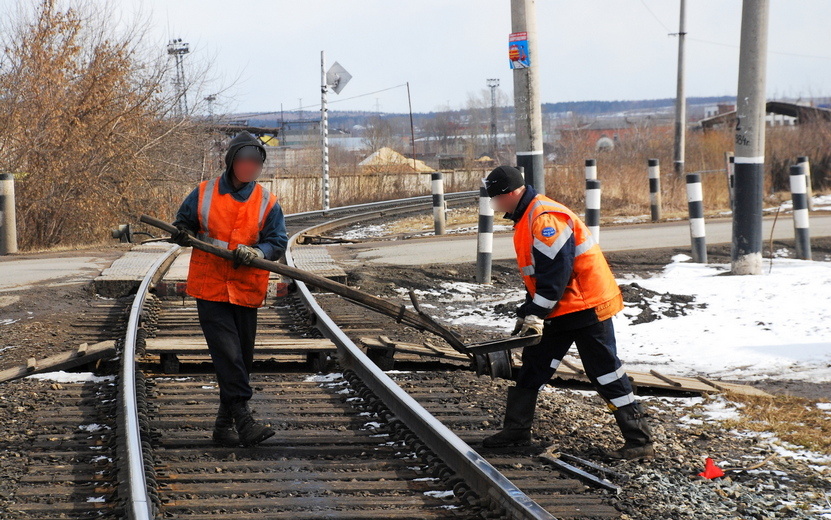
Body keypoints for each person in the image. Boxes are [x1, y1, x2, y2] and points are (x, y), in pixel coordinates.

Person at [481, 165, 653, 460]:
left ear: (510, 194)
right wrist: (529, 310)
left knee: (605, 372)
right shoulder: (527, 216)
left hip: (586, 306)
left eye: (495, 199)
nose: (494, 205)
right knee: (534, 366)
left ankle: (639, 441)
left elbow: (556, 274)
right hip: (562, 307)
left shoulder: (545, 218)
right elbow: (538, 276)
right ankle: (517, 431)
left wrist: (536, 312)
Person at [170, 131, 287, 447]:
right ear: (232, 161)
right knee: (229, 355)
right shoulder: (204, 193)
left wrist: (259, 252)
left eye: (256, 162)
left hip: (246, 289)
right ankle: (245, 422)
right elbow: (184, 223)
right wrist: (182, 233)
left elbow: (277, 241)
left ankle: (224, 428)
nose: (250, 166)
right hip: (211, 288)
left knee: (239, 361)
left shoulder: (267, 202)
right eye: (244, 160)